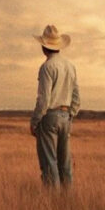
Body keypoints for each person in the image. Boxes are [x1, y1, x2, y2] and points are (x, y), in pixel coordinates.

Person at [30, 24, 80, 188]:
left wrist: (35, 121)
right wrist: (69, 116)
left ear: (44, 47)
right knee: (65, 164)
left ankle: (52, 204)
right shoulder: (70, 67)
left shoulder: (46, 67)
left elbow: (44, 100)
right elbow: (76, 98)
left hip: (49, 117)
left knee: (49, 163)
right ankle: (67, 202)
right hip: (66, 117)